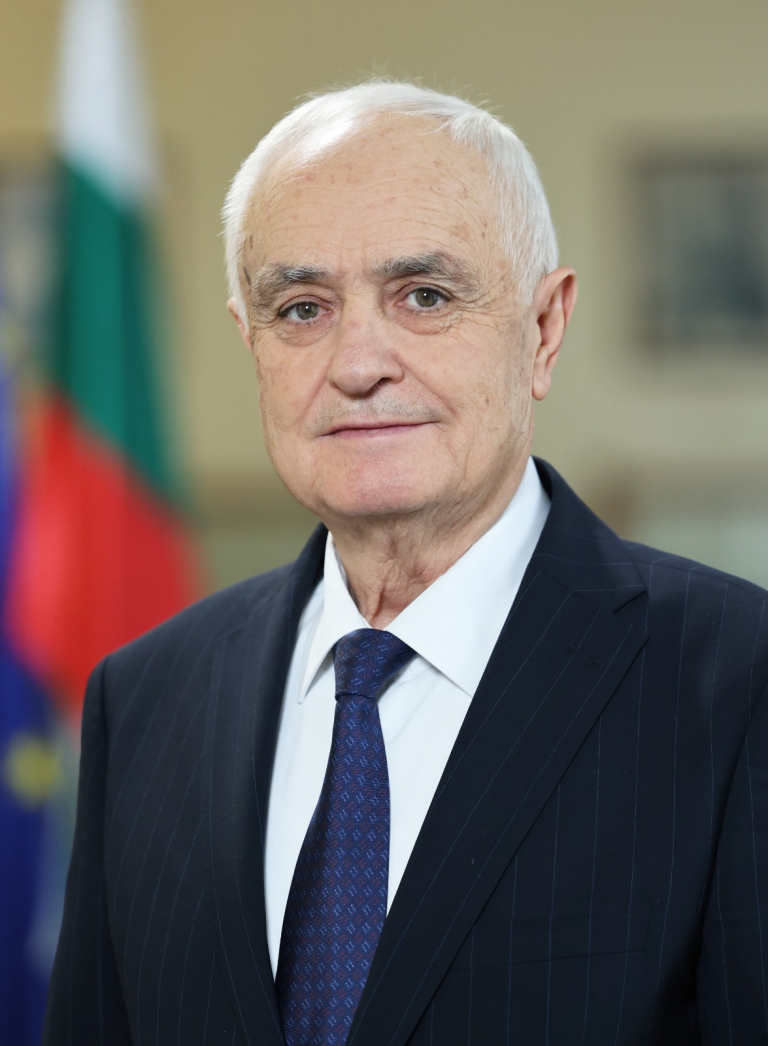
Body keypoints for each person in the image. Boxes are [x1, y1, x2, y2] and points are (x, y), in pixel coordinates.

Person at [44, 82, 768, 1046]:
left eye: (424, 296)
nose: (357, 363)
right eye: (302, 308)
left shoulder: (737, 679)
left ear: (543, 329)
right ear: (251, 341)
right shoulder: (142, 700)